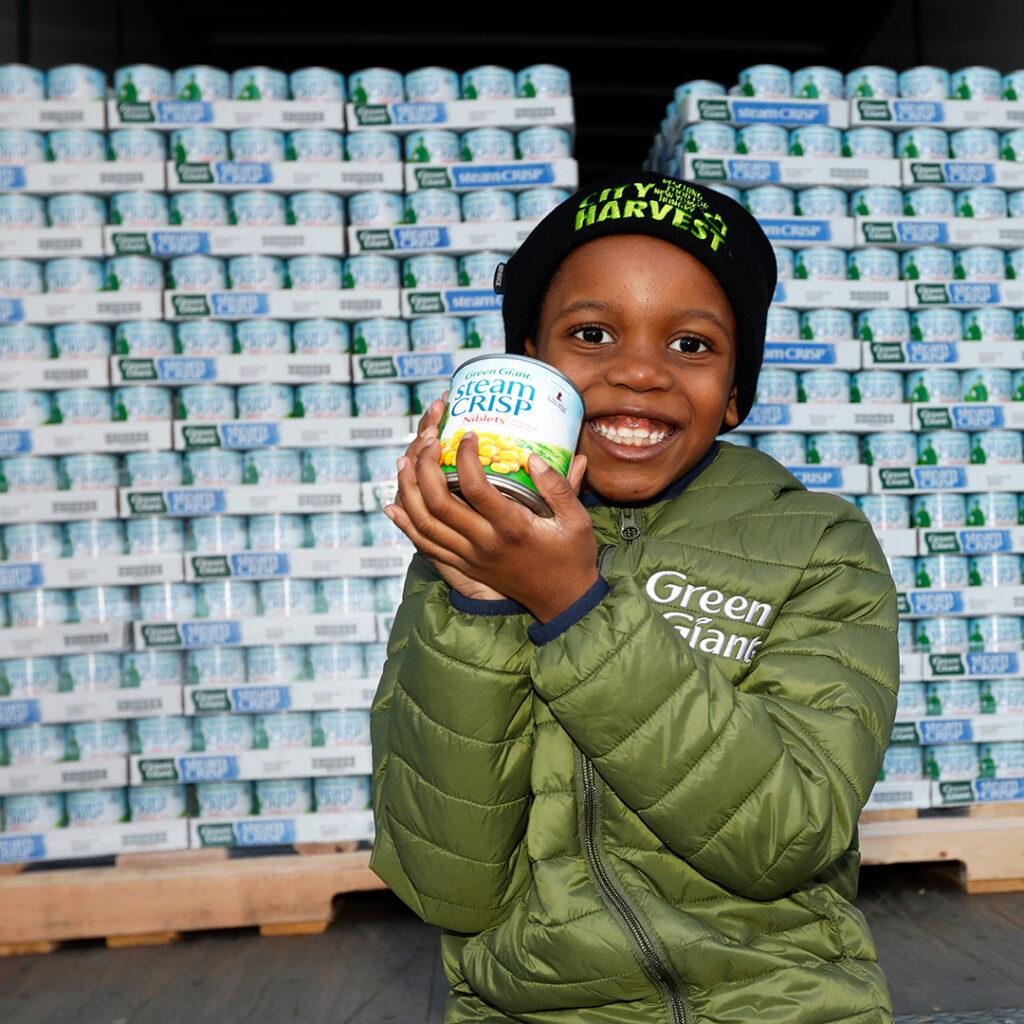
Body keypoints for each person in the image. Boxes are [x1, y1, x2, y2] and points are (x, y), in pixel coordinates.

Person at [369, 171, 900, 1024]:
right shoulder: (464, 564)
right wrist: (479, 608)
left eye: (691, 344)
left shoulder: (817, 545)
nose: (641, 371)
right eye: (591, 333)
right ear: (530, 369)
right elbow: (449, 888)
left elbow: (785, 836)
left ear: (735, 392)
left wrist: (578, 609)